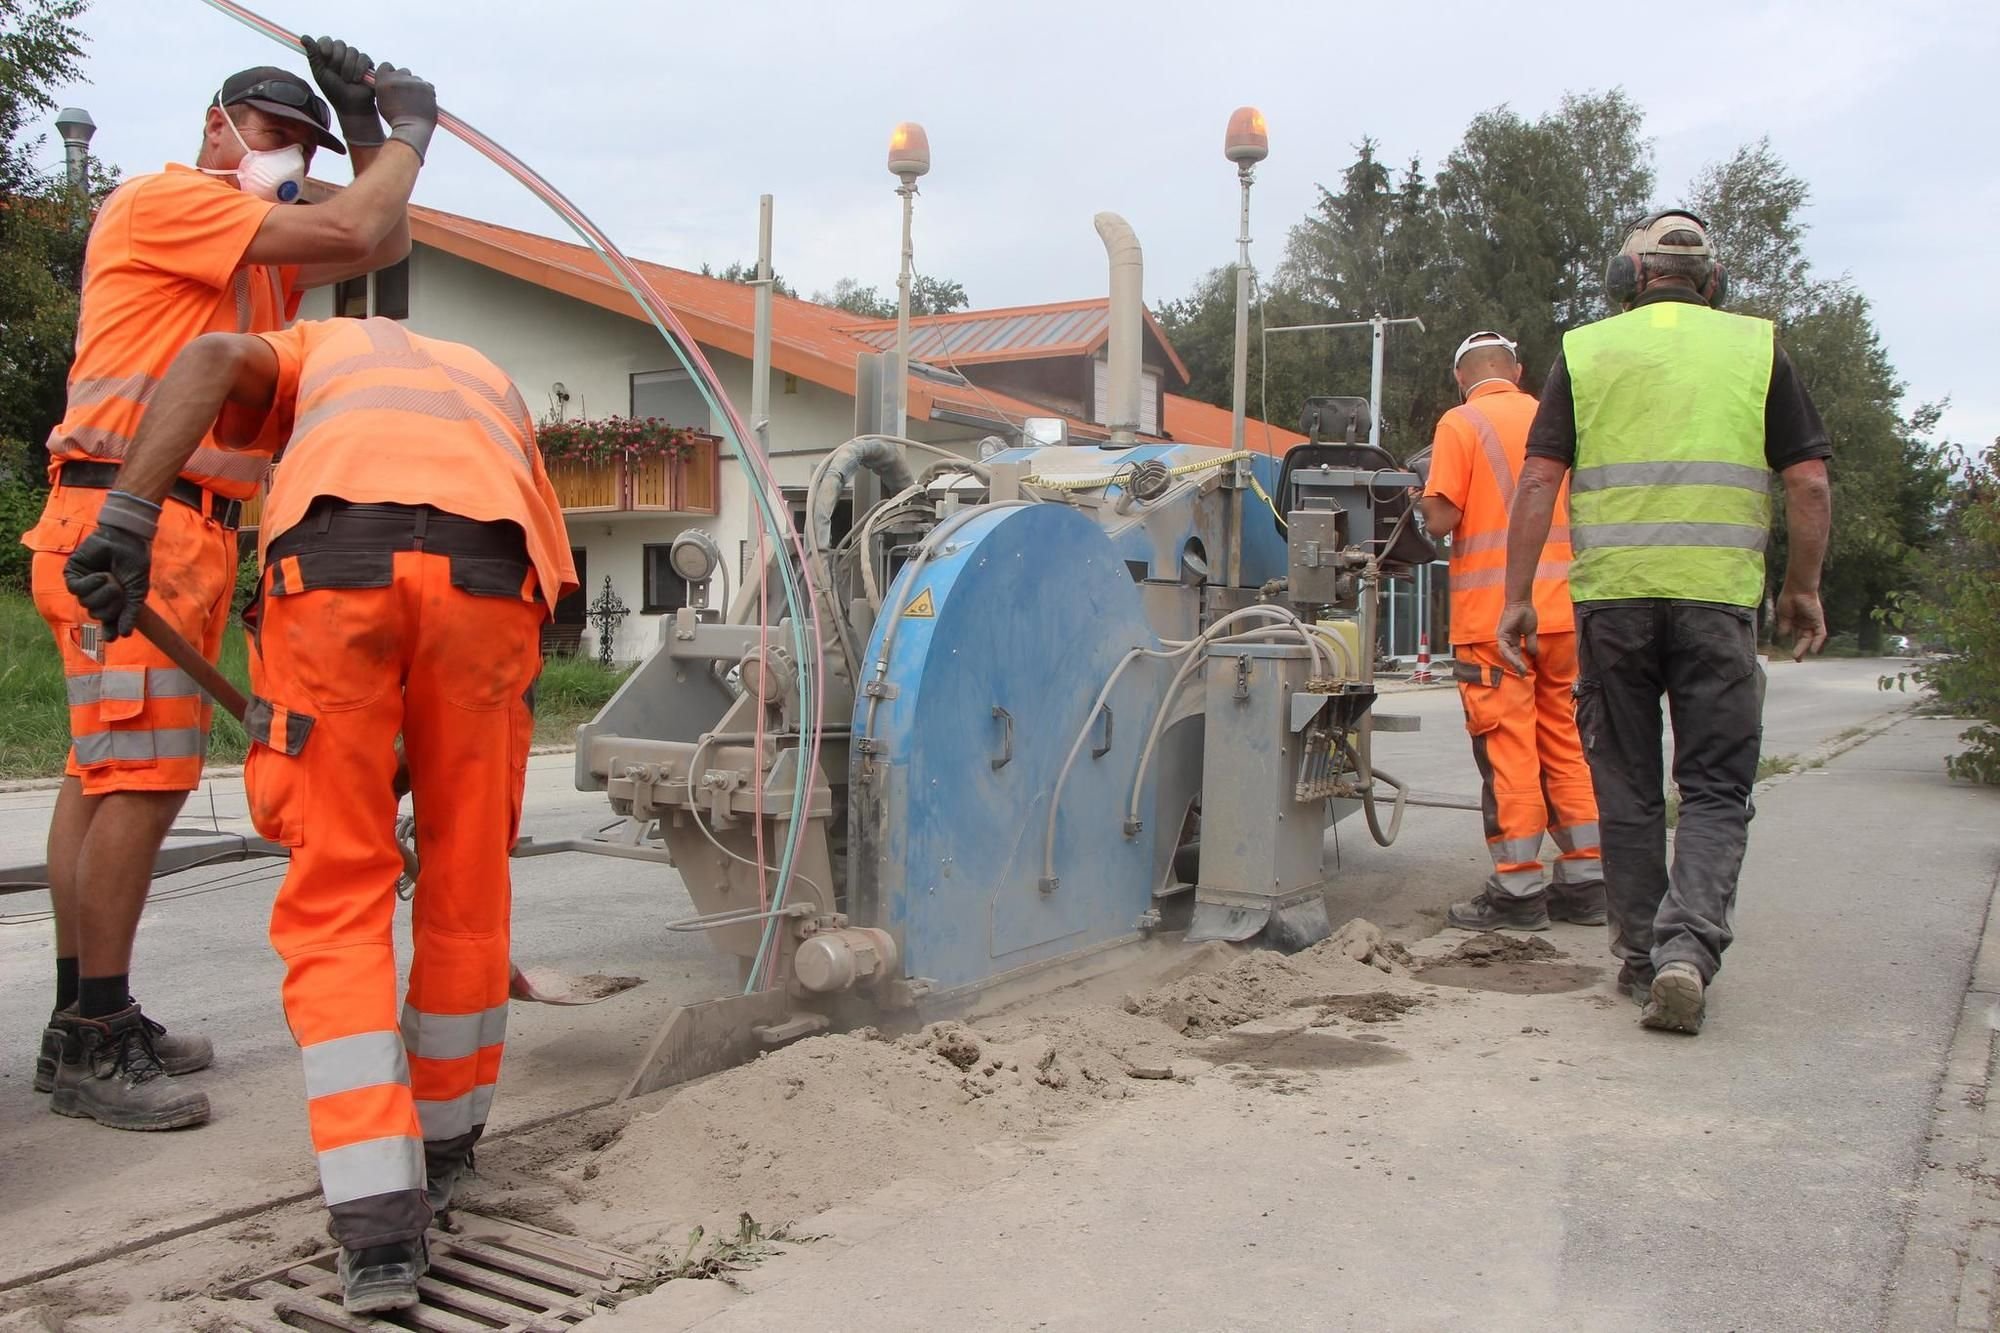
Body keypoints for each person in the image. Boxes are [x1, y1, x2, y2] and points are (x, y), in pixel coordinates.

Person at [65, 316, 576, 1312]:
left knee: (338, 890)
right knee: (469, 882)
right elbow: (542, 570)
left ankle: (380, 1223)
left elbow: (208, 358)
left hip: (334, 574)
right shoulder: (484, 375)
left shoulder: (309, 350)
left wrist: (126, 518)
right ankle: (446, 1146)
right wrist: (444, 755)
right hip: (493, 584)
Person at [23, 45, 438, 1131]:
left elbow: (378, 237)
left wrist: (361, 141)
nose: (281, 157)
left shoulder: (256, 257)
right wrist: (407, 133)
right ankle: (93, 1039)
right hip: (131, 519)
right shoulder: (168, 202)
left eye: (296, 143)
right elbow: (358, 228)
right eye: (269, 135)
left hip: (176, 527)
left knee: (101, 772)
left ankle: (84, 1013)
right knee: (143, 782)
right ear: (216, 127)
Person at [1498, 210, 1833, 1036]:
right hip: (1718, 603)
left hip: (1611, 603)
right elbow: (1811, 485)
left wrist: (1515, 597)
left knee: (1629, 785)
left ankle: (1644, 957)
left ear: (1628, 279)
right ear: (1713, 281)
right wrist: (1802, 588)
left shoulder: (1586, 350)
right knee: (1716, 787)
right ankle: (1687, 951)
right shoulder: (1758, 348)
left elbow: (1539, 482)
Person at [1420, 330, 1603, 933]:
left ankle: (1518, 892)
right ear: (1519, 371)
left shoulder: (1460, 423)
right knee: (1565, 743)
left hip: (1494, 620)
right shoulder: (1557, 416)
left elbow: (1443, 515)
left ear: (1459, 377)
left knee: (1508, 749)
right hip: (1565, 615)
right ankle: (1585, 881)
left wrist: (1418, 494)